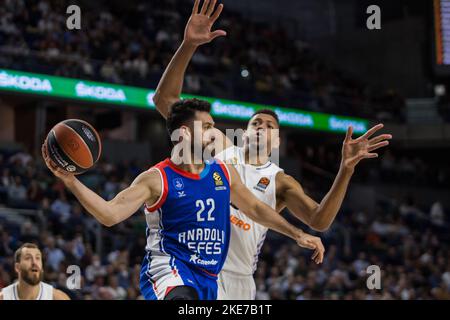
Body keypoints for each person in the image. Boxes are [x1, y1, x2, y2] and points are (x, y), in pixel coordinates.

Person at [151, 0, 392, 299]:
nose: (261, 125)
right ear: (245, 131)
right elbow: (164, 100)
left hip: (240, 281)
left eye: (269, 125)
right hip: (196, 269)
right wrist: (188, 45)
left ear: (277, 142)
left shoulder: (280, 181)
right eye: (255, 122)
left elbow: (320, 220)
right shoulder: (219, 145)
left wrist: (345, 170)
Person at [41, 98, 324, 300]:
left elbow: (255, 208)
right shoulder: (157, 178)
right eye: (208, 127)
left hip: (208, 279)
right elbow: (109, 214)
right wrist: (70, 180)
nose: (216, 133)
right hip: (170, 271)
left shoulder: (222, 173)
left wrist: (297, 233)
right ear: (186, 133)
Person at [0, 243, 70, 300]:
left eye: (37, 258)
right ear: (17, 267)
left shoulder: (57, 297)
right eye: (28, 258)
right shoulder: (4, 297)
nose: (34, 262)